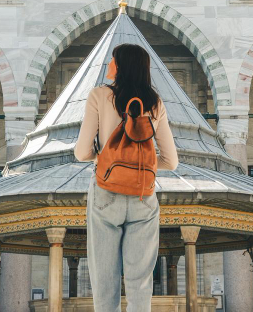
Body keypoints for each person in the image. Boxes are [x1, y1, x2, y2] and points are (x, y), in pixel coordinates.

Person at [75, 43, 179, 312]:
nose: (109, 65)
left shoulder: (99, 95)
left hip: (106, 193)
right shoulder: (155, 104)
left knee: (104, 277)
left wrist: (103, 159)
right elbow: (171, 160)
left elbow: (81, 152)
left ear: (120, 66)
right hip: (143, 195)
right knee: (140, 280)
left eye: (112, 61)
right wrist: (141, 165)